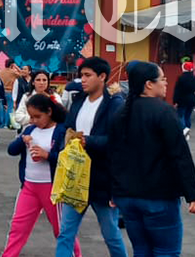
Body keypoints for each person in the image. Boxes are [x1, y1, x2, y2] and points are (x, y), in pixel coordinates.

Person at [109, 61, 195, 256]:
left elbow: (113, 155)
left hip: (127, 197)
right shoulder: (164, 111)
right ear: (149, 84)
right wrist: (192, 193)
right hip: (158, 196)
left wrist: (114, 191)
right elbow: (179, 154)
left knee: (141, 250)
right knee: (166, 251)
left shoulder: (121, 113)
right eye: (162, 79)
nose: (166, 83)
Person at [56, 57, 128, 257]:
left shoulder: (114, 104)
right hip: (75, 177)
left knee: (111, 234)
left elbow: (117, 141)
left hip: (102, 179)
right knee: (65, 233)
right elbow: (67, 127)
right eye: (82, 75)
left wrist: (89, 141)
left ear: (102, 77)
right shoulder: (78, 101)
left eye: (88, 75)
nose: (83, 80)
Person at [2, 94, 82, 257]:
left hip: (52, 189)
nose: (33, 120)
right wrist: (22, 140)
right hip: (29, 186)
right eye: (31, 117)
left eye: (37, 116)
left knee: (61, 230)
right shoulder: (30, 129)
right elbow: (11, 150)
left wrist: (47, 155)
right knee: (18, 227)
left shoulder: (61, 131)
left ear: (49, 112)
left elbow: (69, 159)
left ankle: (75, 254)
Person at [173, 61, 195, 140]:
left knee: (181, 116)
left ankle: (184, 129)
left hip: (182, 99)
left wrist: (175, 101)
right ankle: (187, 132)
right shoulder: (194, 78)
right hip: (191, 99)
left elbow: (177, 90)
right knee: (188, 116)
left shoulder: (181, 78)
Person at [0, 60, 21, 129]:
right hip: (9, 91)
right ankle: (6, 123)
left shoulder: (1, 72)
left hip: (2, 91)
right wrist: (16, 67)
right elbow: (21, 74)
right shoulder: (13, 72)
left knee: (2, 108)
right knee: (9, 108)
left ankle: (2, 123)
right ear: (12, 64)